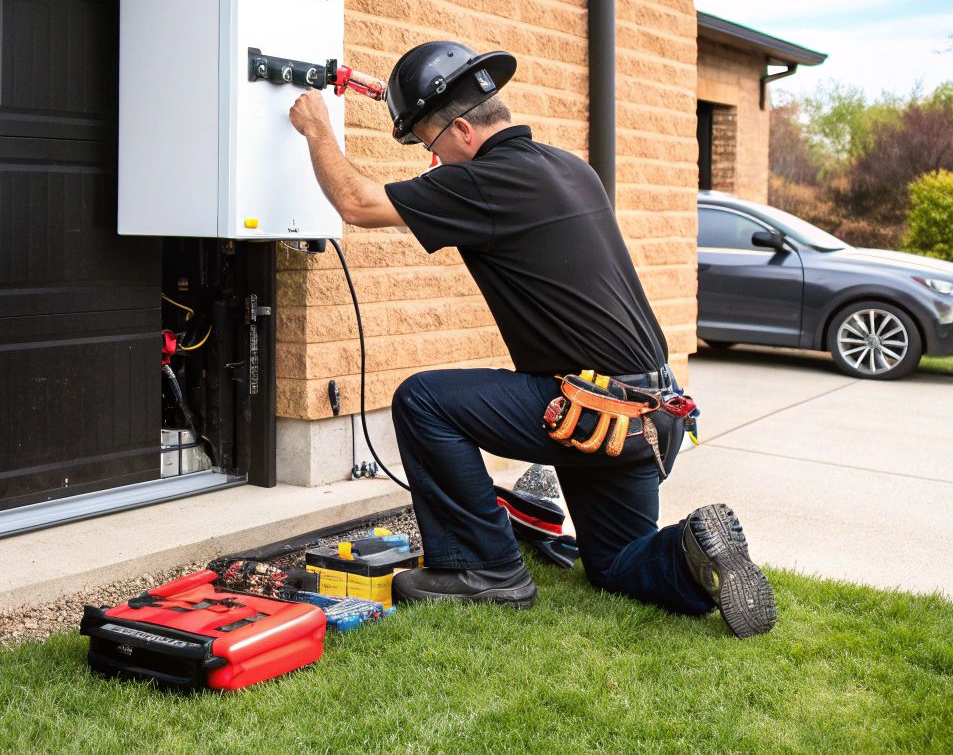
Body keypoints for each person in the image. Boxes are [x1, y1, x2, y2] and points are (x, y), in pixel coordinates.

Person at [287, 40, 776, 638]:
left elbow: (358, 205)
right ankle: (692, 550)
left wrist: (315, 127)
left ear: (464, 130)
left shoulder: (488, 182)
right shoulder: (571, 168)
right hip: (647, 413)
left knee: (423, 399)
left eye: (431, 147)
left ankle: (486, 570)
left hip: (590, 407)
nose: (432, 164)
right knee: (616, 563)